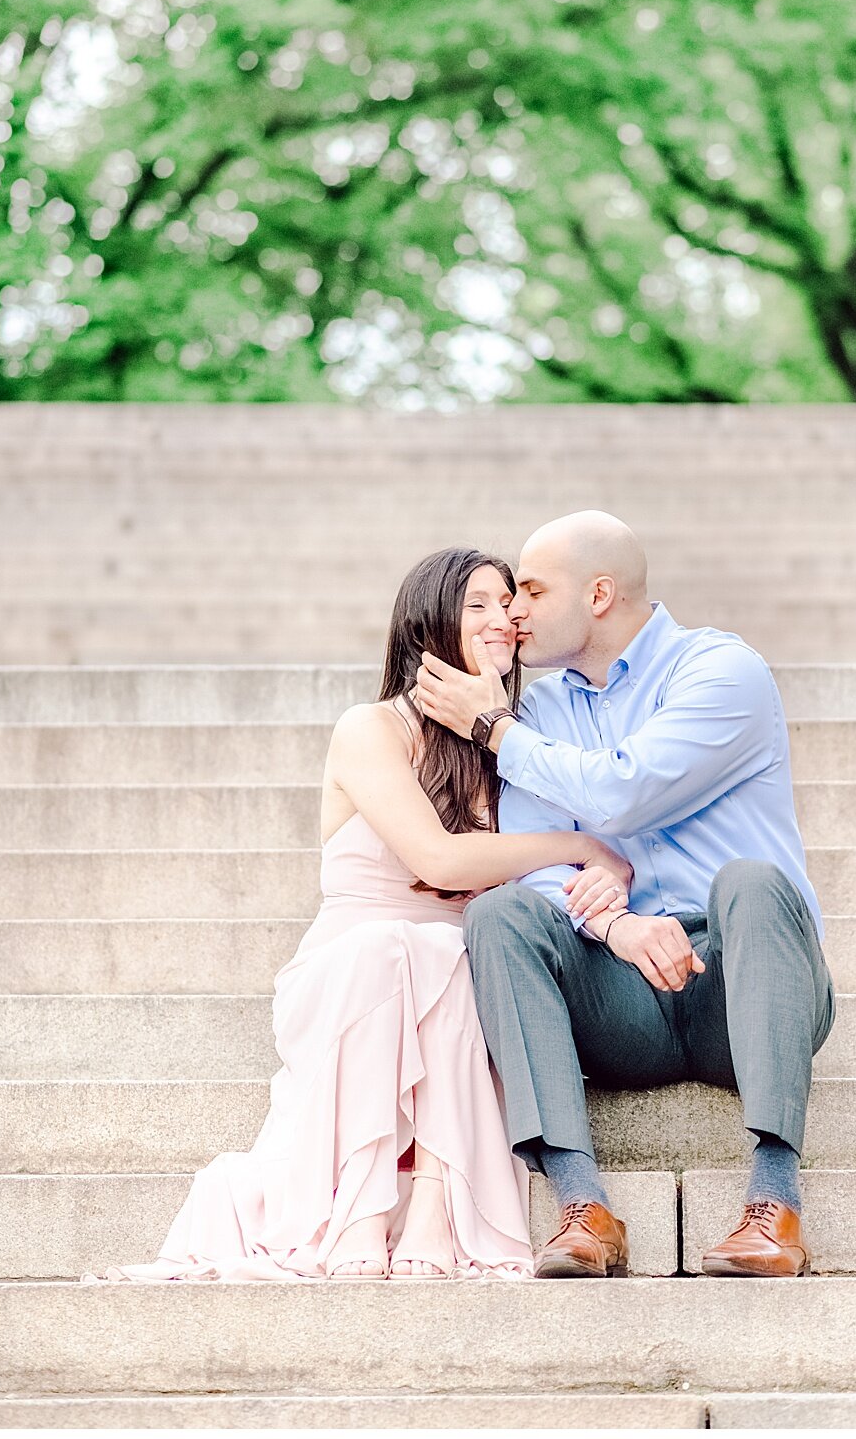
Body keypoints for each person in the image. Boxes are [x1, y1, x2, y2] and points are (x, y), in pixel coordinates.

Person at [83, 546, 631, 1284]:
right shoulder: (369, 729)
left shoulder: (517, 743)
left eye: (509, 602)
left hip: (452, 970)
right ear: (424, 627)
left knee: (464, 951)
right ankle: (363, 1213)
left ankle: (435, 1207)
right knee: (394, 949)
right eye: (478, 604)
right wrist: (580, 844)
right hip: (353, 966)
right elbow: (435, 861)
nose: (503, 617)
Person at [415, 511, 835, 1280]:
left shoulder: (721, 671)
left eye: (533, 591)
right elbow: (542, 858)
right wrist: (618, 927)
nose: (512, 611)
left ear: (599, 593)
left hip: (741, 984)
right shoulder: (543, 710)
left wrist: (493, 730)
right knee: (500, 910)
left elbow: (625, 792)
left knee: (752, 880)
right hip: (623, 996)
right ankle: (583, 1209)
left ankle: (775, 1204)